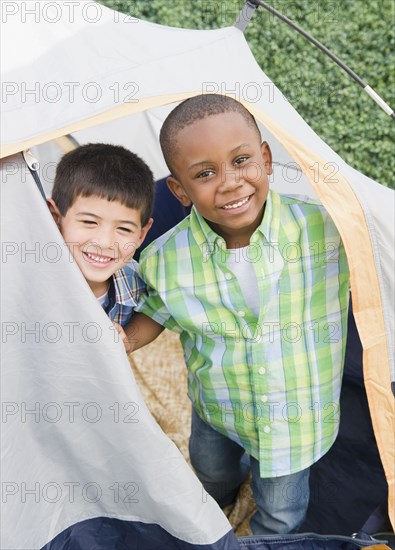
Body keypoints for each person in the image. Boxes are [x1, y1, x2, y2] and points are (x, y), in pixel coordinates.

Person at [125, 94, 350, 534]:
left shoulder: (329, 231)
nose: (229, 183)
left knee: (281, 515)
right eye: (205, 174)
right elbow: (155, 309)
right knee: (212, 474)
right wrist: (125, 340)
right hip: (217, 409)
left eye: (241, 160)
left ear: (265, 159)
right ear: (180, 191)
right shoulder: (165, 259)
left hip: (295, 422)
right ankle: (221, 504)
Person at [48, 143, 154, 342]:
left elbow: (157, 313)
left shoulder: (138, 281)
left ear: (141, 234)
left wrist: (128, 341)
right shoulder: (24, 282)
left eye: (124, 229)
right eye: (89, 222)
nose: (105, 243)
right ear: (54, 217)